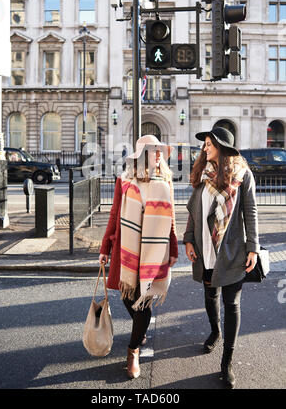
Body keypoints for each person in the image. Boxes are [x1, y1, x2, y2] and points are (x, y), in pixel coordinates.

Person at [183, 127, 260, 389]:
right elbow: (194, 210)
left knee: (232, 303)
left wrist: (253, 247)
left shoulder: (242, 175)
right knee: (210, 295)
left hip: (232, 250)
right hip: (204, 248)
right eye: (204, 144)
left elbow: (251, 211)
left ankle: (226, 361)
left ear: (221, 147)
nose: (205, 148)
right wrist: (188, 238)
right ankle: (215, 330)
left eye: (208, 144)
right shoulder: (204, 173)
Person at [99, 134, 178, 379]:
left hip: (154, 250)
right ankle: (139, 329)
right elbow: (114, 215)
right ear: (144, 156)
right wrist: (104, 248)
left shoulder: (164, 182)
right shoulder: (124, 181)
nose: (158, 156)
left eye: (159, 152)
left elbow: (171, 219)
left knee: (143, 300)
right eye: (154, 152)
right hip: (127, 248)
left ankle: (132, 351)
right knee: (128, 298)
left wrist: (174, 249)